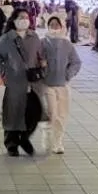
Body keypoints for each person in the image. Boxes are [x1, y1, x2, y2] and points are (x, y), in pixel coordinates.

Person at [0, 12, 45, 155]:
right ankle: (11, 143)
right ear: (14, 20)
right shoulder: (6, 39)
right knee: (12, 113)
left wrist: (42, 66)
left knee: (34, 112)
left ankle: (24, 137)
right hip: (13, 83)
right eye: (21, 18)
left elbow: (41, 56)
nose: (24, 20)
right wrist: (4, 73)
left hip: (32, 82)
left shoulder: (34, 37)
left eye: (26, 18)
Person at [41, 13, 81, 153]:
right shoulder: (43, 42)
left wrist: (68, 75)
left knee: (62, 114)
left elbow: (76, 62)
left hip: (63, 85)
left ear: (61, 26)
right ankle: (47, 135)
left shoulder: (67, 44)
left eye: (56, 25)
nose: (54, 28)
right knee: (51, 112)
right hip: (47, 84)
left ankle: (58, 141)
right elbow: (34, 60)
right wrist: (42, 69)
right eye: (51, 25)